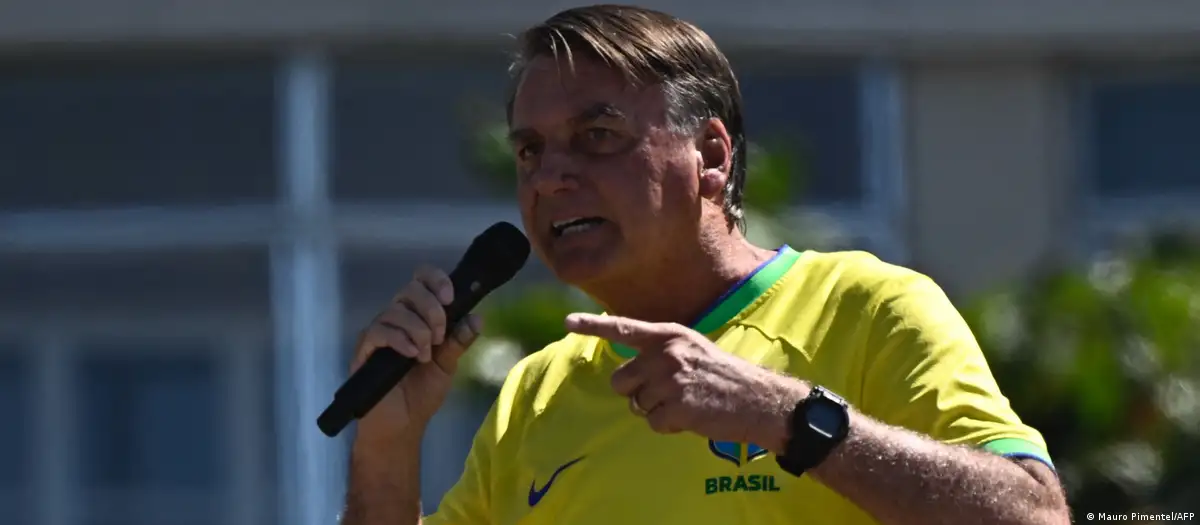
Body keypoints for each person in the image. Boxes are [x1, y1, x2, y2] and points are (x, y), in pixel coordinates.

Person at [340, 4, 1071, 525]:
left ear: (712, 157)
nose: (549, 176)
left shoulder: (868, 306)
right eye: (529, 150)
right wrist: (387, 445)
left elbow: (1033, 515)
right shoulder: (537, 390)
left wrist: (785, 416)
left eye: (596, 135)